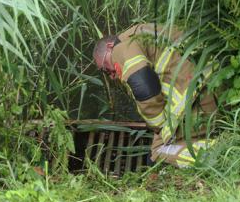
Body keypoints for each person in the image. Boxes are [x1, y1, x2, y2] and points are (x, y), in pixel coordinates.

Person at [93, 23, 218, 168]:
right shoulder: (141, 30)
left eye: (106, 69)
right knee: (157, 146)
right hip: (213, 81)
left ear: (109, 46)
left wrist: (159, 126)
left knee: (157, 154)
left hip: (201, 98)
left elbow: (143, 86)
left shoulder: (120, 49)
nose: (112, 76)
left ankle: (217, 152)